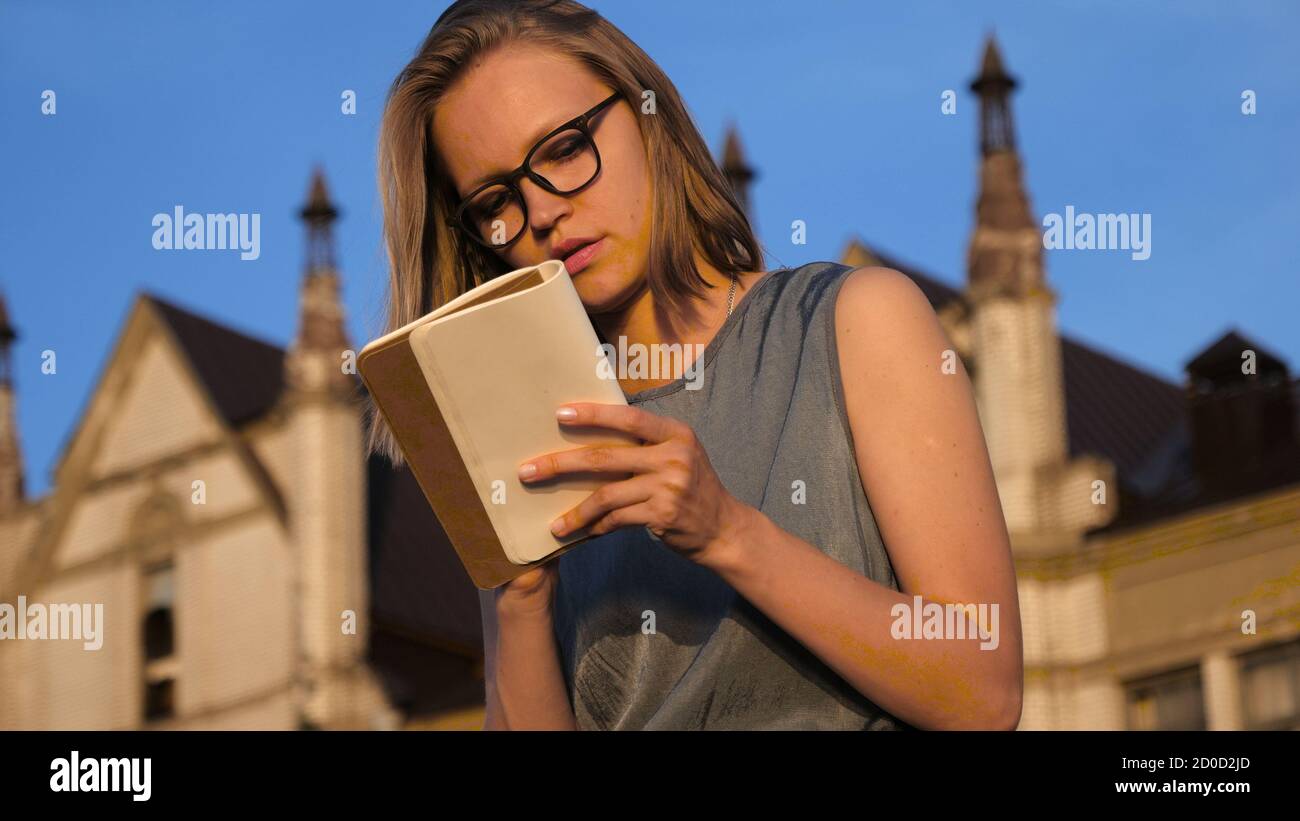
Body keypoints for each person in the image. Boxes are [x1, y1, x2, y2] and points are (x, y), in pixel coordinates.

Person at [368, 0, 1023, 730]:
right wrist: (519, 603)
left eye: (561, 150)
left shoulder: (856, 320)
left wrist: (727, 534)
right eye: (497, 200)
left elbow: (983, 689)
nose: (543, 211)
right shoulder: (526, 439)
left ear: (648, 115)